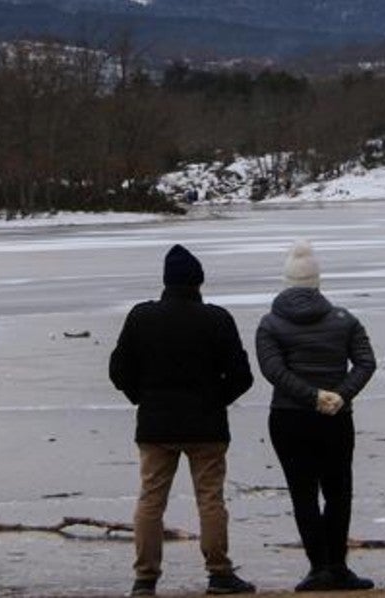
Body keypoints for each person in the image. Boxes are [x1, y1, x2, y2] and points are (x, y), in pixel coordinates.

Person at [109, 244, 257, 596]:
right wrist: (215, 401)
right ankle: (219, 572)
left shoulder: (141, 317)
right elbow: (242, 376)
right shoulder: (217, 319)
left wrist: (143, 398)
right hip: (206, 426)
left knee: (150, 500)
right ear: (198, 282)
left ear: (166, 281)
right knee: (210, 499)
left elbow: (118, 370)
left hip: (156, 425)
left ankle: (145, 578)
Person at [255, 240, 378, 592]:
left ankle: (319, 568)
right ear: (317, 281)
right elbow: (366, 362)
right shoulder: (345, 320)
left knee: (303, 493)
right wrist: (338, 396)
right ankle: (336, 566)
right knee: (339, 492)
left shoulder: (270, 324)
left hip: (288, 418)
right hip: (335, 418)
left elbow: (272, 370)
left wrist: (312, 397)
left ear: (286, 281)